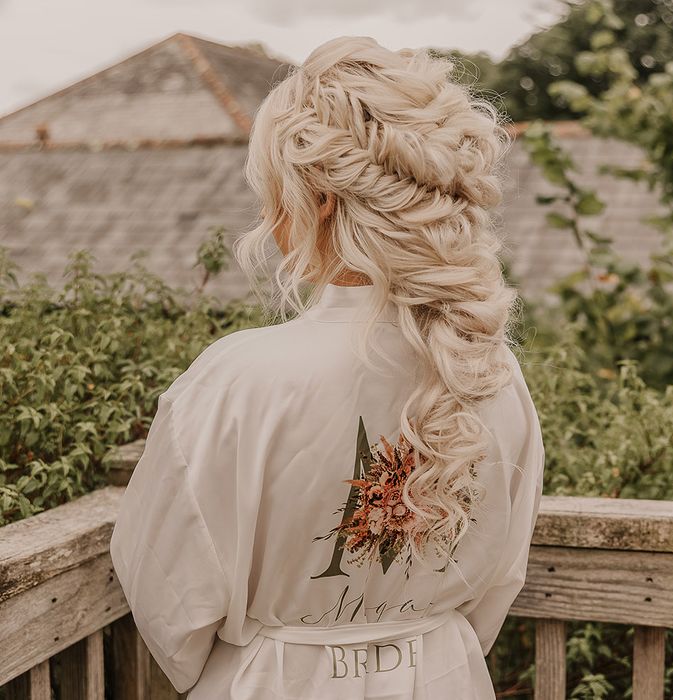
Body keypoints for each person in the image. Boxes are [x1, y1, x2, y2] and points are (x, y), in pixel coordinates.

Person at [109, 35, 545, 700]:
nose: (265, 210)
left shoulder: (235, 380)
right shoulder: (489, 367)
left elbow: (169, 595)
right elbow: (499, 578)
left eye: (270, 186)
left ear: (318, 198)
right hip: (445, 676)